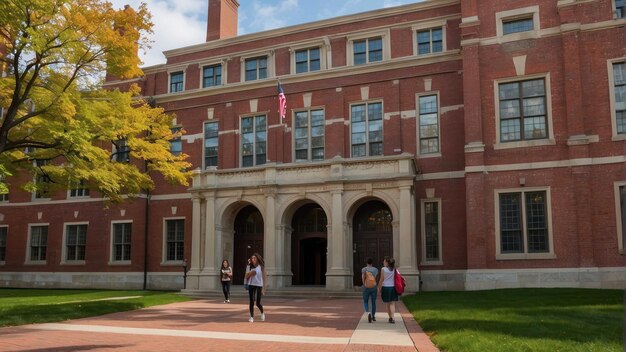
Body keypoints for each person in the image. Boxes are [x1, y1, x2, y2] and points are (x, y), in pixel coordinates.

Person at [244, 253, 266, 322]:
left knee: (258, 303)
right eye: (252, 258)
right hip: (251, 284)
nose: (253, 260)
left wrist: (264, 289)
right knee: (251, 301)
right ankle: (251, 317)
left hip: (259, 285)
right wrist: (248, 266)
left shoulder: (261, 267)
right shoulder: (250, 267)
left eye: (254, 258)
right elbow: (246, 276)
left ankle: (262, 313)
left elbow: (264, 278)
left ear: (257, 259)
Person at [378, 256, 398, 324]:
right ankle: (393, 317)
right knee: (392, 303)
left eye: (384, 261)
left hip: (385, 287)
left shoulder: (383, 269)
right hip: (393, 287)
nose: (383, 262)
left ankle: (390, 317)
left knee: (387, 303)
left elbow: (381, 279)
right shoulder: (394, 269)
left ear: (387, 262)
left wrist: (379, 288)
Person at [361, 257, 378, 323]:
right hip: (373, 286)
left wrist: (364, 284)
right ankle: (373, 316)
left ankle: (368, 312)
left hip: (366, 287)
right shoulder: (375, 269)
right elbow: (375, 277)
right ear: (372, 262)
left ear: (366, 262)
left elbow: (363, 277)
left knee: (365, 301)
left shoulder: (364, 269)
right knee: (373, 302)